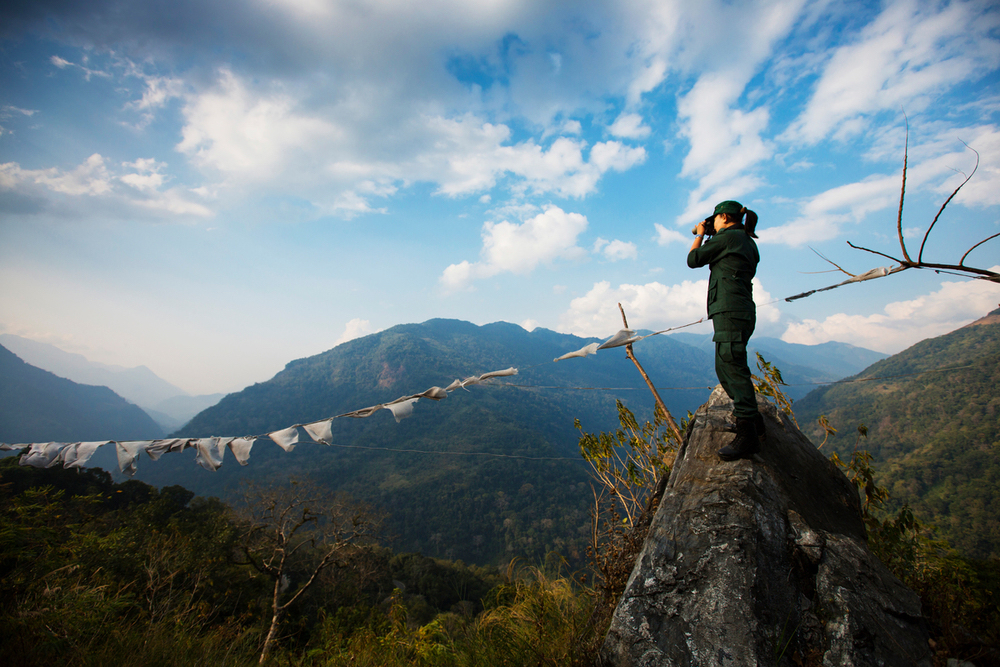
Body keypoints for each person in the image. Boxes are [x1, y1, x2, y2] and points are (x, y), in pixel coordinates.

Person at [687, 200, 764, 461]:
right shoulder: (744, 240)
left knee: (731, 366)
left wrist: (700, 236)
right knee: (726, 366)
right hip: (736, 309)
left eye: (714, 220)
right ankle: (753, 421)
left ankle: (748, 435)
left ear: (722, 217)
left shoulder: (730, 238)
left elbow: (693, 259)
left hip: (731, 310)